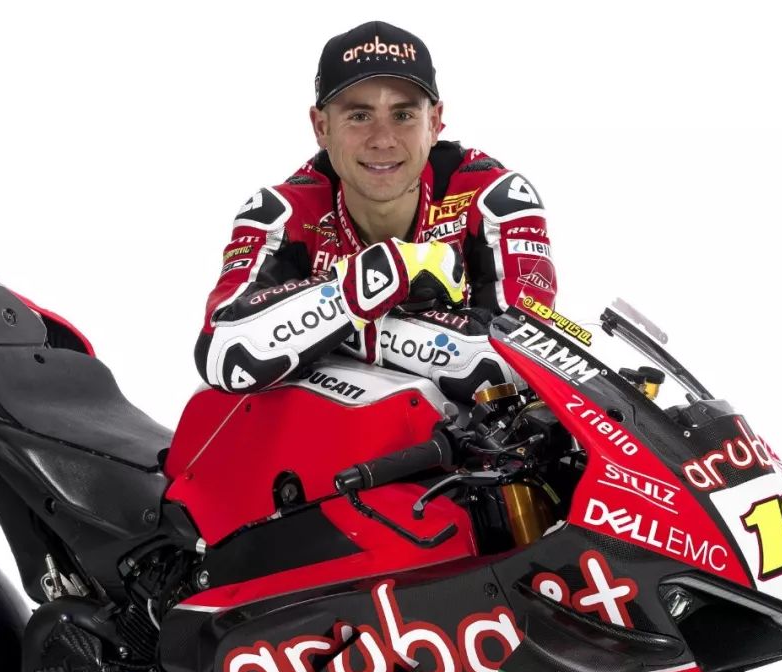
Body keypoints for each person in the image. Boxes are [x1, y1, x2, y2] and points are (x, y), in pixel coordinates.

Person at [195, 20, 556, 402]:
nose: (383, 140)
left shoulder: (495, 198)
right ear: (321, 127)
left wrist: (327, 325)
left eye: (403, 115)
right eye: (359, 116)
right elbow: (226, 352)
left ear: (434, 123)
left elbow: (520, 364)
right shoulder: (281, 212)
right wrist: (395, 270)